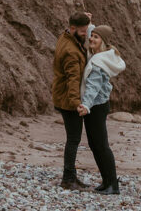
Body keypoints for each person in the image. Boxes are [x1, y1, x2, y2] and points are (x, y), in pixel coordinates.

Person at [78, 24, 125, 195]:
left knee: (101, 145)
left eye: (96, 37)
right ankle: (107, 182)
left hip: (95, 106)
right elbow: (93, 35)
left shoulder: (98, 63)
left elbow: (93, 87)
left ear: (103, 42)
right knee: (95, 144)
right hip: (98, 105)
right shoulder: (100, 55)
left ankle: (113, 184)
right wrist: (90, 24)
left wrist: (86, 106)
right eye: (92, 36)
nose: (91, 38)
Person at [52, 10, 94, 190]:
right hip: (68, 101)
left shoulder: (67, 36)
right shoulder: (71, 52)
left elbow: (82, 29)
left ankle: (71, 177)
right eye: (84, 31)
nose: (87, 34)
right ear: (73, 28)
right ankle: (68, 179)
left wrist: (88, 22)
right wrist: (77, 104)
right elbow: (73, 80)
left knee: (72, 139)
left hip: (62, 96)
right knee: (73, 140)